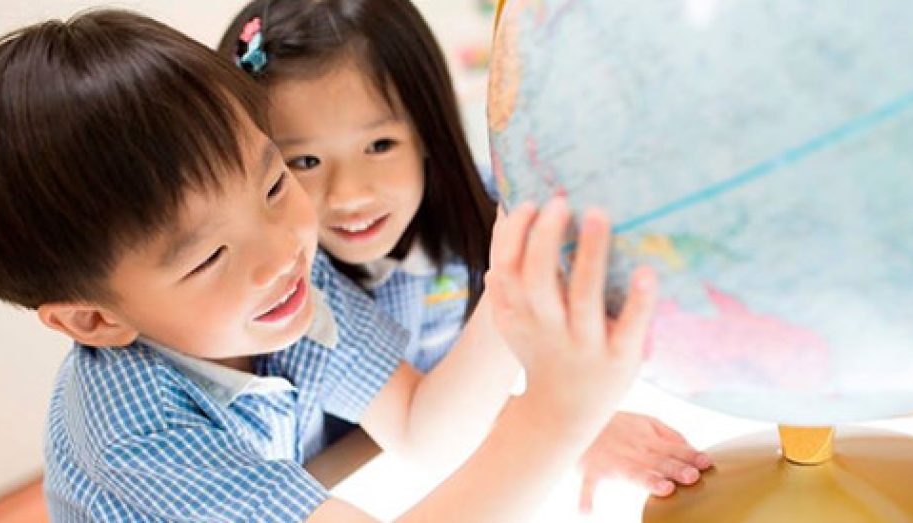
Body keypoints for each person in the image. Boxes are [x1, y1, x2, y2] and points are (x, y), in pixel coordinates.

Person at [0, 9, 667, 521]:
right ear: (93, 319)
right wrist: (556, 418)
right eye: (209, 256)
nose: (282, 252)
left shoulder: (276, 284)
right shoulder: (134, 436)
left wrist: (512, 265)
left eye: (272, 185)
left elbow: (421, 429)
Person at [218, 0, 710, 504]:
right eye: (304, 161)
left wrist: (566, 424)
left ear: (427, 129)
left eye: (380, 145)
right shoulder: (290, 291)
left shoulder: (490, 207)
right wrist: (556, 422)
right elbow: (420, 430)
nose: (349, 195)